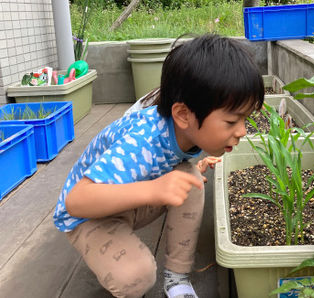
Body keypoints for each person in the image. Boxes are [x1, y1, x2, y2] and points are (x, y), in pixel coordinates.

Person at [53, 34, 264, 298]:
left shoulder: (182, 129)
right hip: (88, 214)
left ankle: (177, 278)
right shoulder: (141, 142)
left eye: (245, 119)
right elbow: (77, 201)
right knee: (135, 277)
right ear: (183, 114)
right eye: (232, 121)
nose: (243, 131)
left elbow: (164, 161)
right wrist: (155, 190)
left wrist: (192, 169)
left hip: (125, 196)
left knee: (190, 182)